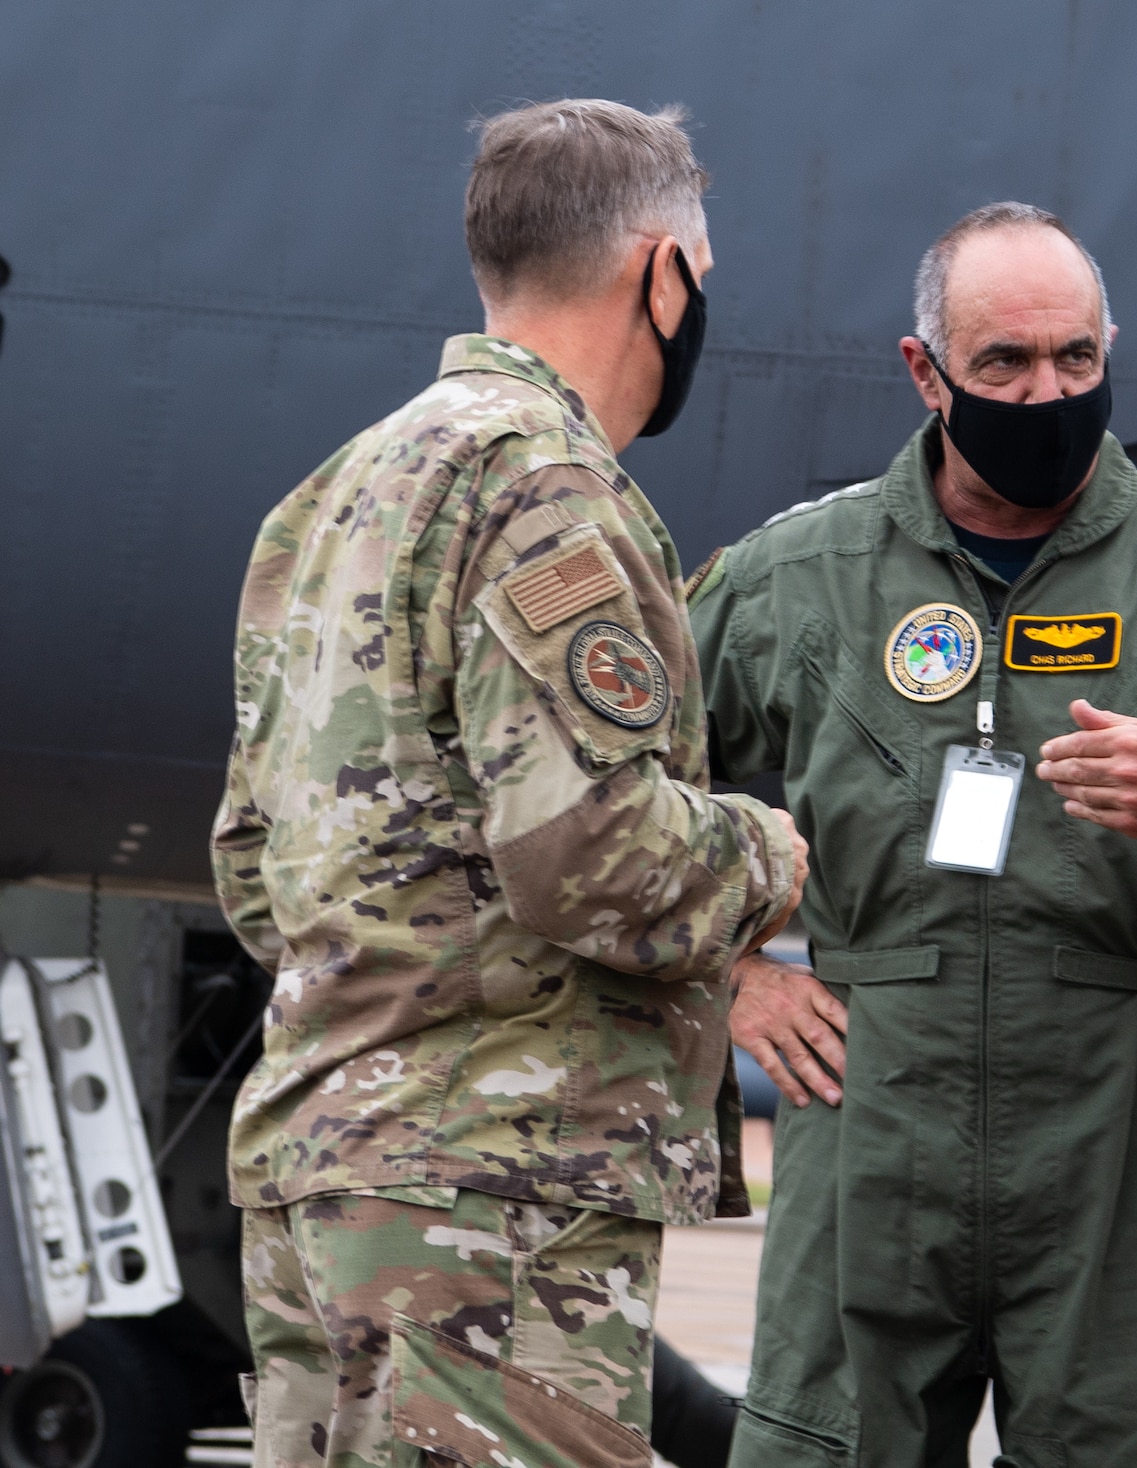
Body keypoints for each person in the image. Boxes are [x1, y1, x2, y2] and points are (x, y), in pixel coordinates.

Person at [688, 201, 1137, 1466]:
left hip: (1131, 1126)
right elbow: (599, 789)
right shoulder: (796, 575)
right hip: (869, 1111)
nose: (1047, 392)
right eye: (1005, 364)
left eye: (1075, 359)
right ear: (925, 372)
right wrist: (723, 971)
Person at [210, 99, 805, 1468]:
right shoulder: (541, 488)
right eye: (698, 281)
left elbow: (253, 862)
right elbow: (590, 852)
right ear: (660, 273)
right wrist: (766, 854)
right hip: (492, 1206)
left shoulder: (329, 497)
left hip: (322, 1181)